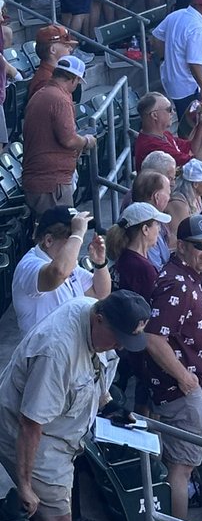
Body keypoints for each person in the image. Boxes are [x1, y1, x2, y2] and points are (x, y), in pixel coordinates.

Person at [0, 291, 151, 521]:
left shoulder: (96, 319)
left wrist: (110, 405)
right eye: (118, 337)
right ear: (100, 319)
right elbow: (31, 422)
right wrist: (24, 483)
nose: (122, 346)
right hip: (34, 436)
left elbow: (96, 374)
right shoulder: (58, 349)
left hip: (60, 430)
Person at [144, 213, 202, 521]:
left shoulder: (188, 274)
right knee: (180, 468)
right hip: (181, 391)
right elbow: (152, 337)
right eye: (201, 246)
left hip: (190, 387)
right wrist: (184, 377)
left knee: (181, 466)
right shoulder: (177, 282)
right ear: (182, 247)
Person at [11, 208, 110, 335]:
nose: (78, 244)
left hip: (71, 347)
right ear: (49, 241)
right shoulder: (29, 266)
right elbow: (58, 273)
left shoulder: (70, 264)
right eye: (72, 237)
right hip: (44, 352)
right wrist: (78, 232)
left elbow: (100, 294)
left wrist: (100, 263)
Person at [22, 56, 96, 216]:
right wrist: (86, 141)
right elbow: (68, 139)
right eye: (77, 82)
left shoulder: (42, 94)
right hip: (51, 184)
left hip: (41, 181)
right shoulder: (60, 99)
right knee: (59, 235)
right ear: (74, 79)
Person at [151, 0, 202, 118]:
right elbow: (194, 63)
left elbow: (155, 38)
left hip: (172, 81)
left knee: (188, 126)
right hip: (188, 86)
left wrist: (163, 59)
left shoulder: (176, 15)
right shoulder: (196, 28)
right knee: (191, 129)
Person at [134, 91, 202, 172]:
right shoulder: (154, 147)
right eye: (169, 109)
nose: (173, 112)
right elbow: (200, 167)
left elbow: (192, 148)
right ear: (154, 115)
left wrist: (201, 124)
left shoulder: (164, 134)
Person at [106, 202, 170, 303]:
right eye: (157, 224)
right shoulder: (144, 269)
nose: (159, 229)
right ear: (145, 229)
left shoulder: (123, 257)